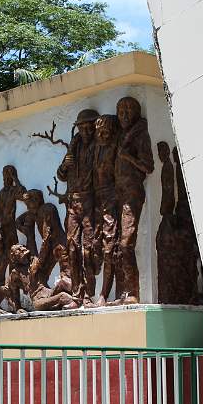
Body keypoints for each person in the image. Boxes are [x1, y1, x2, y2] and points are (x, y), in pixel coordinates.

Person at [57, 108, 99, 307]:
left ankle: (90, 295)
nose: (85, 131)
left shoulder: (98, 146)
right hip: (73, 203)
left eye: (88, 127)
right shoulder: (74, 147)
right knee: (72, 248)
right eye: (81, 127)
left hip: (91, 201)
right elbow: (61, 174)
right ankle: (77, 295)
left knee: (88, 250)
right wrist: (65, 165)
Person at [115, 97, 154, 303]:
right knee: (114, 244)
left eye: (128, 111)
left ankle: (133, 292)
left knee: (126, 243)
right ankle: (122, 292)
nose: (124, 116)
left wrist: (128, 157)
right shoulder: (121, 136)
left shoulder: (140, 136)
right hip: (117, 193)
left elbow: (148, 167)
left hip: (132, 193)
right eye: (121, 112)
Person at [93, 114, 120, 306]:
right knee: (95, 249)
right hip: (97, 202)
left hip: (112, 200)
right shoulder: (97, 150)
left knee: (110, 248)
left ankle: (104, 293)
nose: (102, 136)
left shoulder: (114, 149)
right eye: (99, 132)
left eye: (106, 133)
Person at [17, 189, 67, 291]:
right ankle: (47, 295)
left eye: (28, 204)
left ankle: (69, 295)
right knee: (41, 275)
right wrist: (24, 230)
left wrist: (40, 259)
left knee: (66, 274)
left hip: (59, 246)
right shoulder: (34, 213)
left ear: (36, 200)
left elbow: (46, 237)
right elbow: (18, 221)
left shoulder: (47, 209)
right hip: (50, 249)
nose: (27, 207)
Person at [0, 165, 26, 252]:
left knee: (14, 253)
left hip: (11, 227)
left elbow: (24, 195)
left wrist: (16, 179)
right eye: (5, 176)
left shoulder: (13, 190)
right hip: (2, 229)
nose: (6, 179)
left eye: (9, 176)